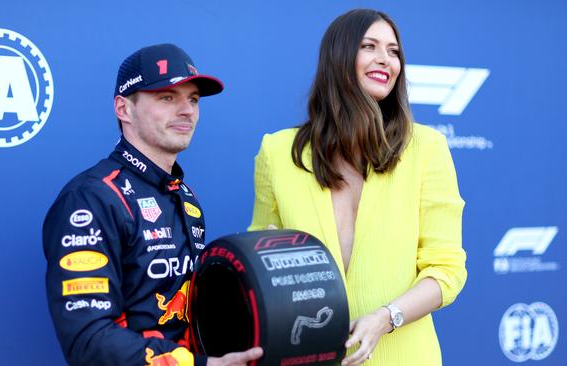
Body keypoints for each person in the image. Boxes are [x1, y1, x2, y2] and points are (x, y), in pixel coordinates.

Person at [248, 9, 467, 366]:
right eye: (370, 46)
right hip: (306, 357)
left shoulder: (426, 148)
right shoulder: (277, 152)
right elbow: (258, 261)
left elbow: (446, 270)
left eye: (394, 51)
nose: (385, 60)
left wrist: (385, 318)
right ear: (339, 57)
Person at [43, 43, 262, 366]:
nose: (187, 110)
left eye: (193, 99)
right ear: (123, 108)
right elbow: (89, 341)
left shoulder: (186, 198)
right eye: (167, 98)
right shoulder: (91, 199)